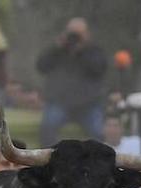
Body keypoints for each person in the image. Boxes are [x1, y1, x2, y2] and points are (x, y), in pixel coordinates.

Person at [36, 17, 107, 145]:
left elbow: (99, 69)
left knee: (98, 133)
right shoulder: (58, 51)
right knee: (47, 128)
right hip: (60, 103)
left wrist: (82, 51)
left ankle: (96, 162)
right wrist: (56, 47)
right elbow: (41, 66)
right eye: (72, 33)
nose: (74, 38)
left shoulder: (94, 50)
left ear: (87, 35)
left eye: (78, 34)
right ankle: (51, 161)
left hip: (88, 105)